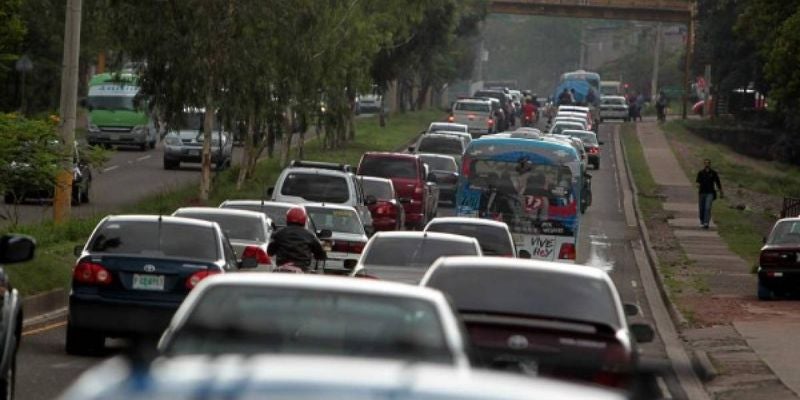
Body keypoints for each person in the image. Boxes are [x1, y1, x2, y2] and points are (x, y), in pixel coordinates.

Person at [695, 159, 723, 229]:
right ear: (704, 164)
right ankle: (702, 221)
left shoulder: (713, 173)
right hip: (702, 192)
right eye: (705, 163)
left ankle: (706, 223)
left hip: (710, 193)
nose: (707, 164)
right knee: (702, 208)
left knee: (707, 208)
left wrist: (721, 191)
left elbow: (718, 182)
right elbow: (698, 181)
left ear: (710, 164)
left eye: (708, 163)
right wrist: (698, 185)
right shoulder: (701, 172)